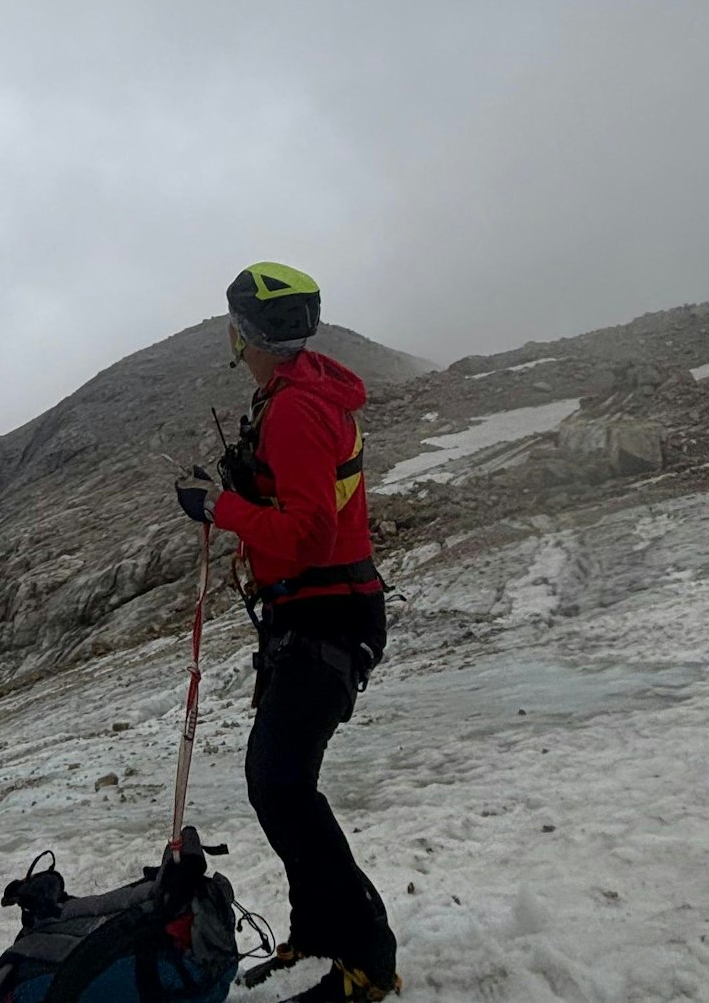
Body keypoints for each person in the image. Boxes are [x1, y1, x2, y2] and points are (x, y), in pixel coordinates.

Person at [175, 262, 400, 1001]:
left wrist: (221, 510)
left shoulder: (297, 409)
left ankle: (368, 956)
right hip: (313, 610)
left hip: (323, 610)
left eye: (234, 325)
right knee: (278, 783)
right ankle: (320, 930)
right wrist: (245, 492)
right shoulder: (293, 396)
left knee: (279, 784)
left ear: (248, 333)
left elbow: (306, 533)